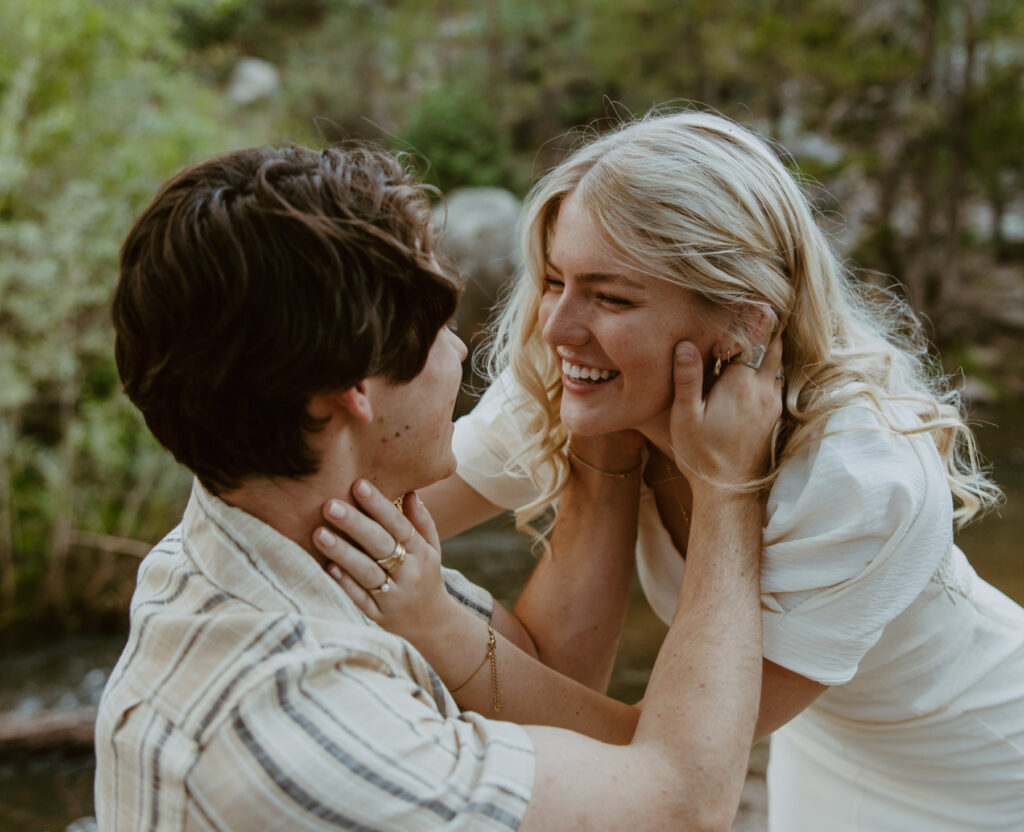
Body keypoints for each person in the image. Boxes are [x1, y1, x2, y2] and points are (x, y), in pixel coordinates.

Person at [326, 112, 1024, 831]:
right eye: (557, 280)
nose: (557, 327)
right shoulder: (584, 378)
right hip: (821, 751)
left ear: (745, 321)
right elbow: (346, 516)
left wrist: (435, 621)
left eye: (612, 296)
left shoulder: (855, 479)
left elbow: (650, 759)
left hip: (986, 761)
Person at [95, 142, 785, 831]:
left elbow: (539, 680)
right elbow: (684, 803)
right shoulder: (316, 737)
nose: (460, 351)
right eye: (439, 329)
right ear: (354, 394)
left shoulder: (264, 539)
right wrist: (727, 486)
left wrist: (606, 440)